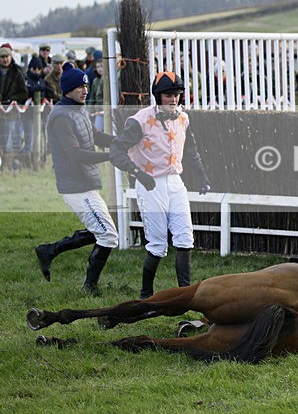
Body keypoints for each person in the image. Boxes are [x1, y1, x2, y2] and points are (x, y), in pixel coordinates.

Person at [110, 71, 211, 299]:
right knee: (157, 244)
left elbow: (191, 149)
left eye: (176, 95)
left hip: (175, 182)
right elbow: (115, 151)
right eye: (168, 95)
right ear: (158, 96)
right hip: (150, 184)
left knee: (185, 238)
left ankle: (185, 294)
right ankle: (146, 295)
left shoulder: (183, 118)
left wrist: (202, 176)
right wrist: (136, 172)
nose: (173, 99)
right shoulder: (139, 121)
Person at [35, 63, 119, 293]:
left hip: (86, 185)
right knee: (109, 235)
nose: (85, 90)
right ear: (68, 89)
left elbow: (96, 135)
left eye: (86, 85)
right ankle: (89, 287)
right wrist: (111, 157)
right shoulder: (61, 117)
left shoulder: (78, 110)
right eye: (80, 86)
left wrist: (121, 142)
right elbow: (76, 155)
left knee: (102, 230)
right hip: (76, 188)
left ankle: (49, 251)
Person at [0, 45, 27, 170]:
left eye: (7, 57)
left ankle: (8, 166)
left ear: (11, 57)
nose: (5, 59)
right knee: (2, 140)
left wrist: (13, 99)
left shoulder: (17, 72)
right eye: (2, 57)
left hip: (12, 112)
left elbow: (24, 93)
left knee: (10, 139)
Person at [20, 57, 48, 166]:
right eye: (34, 68)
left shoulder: (41, 80)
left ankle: (38, 163)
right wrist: (39, 88)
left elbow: (44, 90)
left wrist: (39, 88)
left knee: (40, 141)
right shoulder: (25, 79)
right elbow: (29, 90)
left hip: (40, 115)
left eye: (38, 69)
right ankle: (24, 163)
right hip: (28, 115)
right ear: (30, 68)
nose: (36, 71)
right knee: (29, 141)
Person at [87, 51, 105, 130]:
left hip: (107, 109)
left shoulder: (110, 81)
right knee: (98, 128)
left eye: (101, 66)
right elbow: (92, 96)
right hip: (98, 109)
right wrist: (89, 109)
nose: (100, 69)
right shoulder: (95, 81)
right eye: (98, 67)